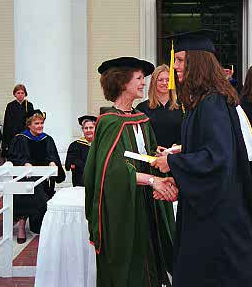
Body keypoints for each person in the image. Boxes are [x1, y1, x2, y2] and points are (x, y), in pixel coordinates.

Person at [151, 30, 252, 287]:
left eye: (180, 60)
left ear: (197, 62)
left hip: (219, 222)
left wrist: (172, 163)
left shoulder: (211, 102)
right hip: (215, 213)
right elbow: (219, 148)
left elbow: (217, 158)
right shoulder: (206, 100)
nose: (175, 68)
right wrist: (184, 152)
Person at [84, 56, 175, 287]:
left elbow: (148, 155)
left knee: (148, 254)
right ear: (123, 83)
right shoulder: (108, 121)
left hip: (145, 202)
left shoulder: (141, 118)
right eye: (139, 78)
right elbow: (110, 172)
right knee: (127, 261)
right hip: (123, 205)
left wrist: (162, 158)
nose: (144, 83)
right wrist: (153, 180)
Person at [8, 109, 65, 242]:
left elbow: (52, 154)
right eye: (37, 123)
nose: (40, 126)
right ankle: (21, 226)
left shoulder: (47, 139)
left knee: (41, 190)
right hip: (25, 177)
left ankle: (41, 224)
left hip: (43, 177)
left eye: (41, 123)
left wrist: (52, 161)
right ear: (29, 125)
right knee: (26, 190)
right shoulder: (20, 138)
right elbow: (13, 157)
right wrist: (25, 163)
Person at [136, 64, 183, 149]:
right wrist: (153, 148)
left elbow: (188, 133)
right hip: (152, 156)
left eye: (168, 80)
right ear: (154, 83)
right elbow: (139, 138)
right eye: (160, 80)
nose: (165, 83)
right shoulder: (142, 108)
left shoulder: (182, 107)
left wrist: (179, 145)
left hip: (176, 156)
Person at [3, 84, 34, 158]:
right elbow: (8, 121)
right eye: (18, 93)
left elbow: (31, 120)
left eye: (22, 93)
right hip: (13, 134)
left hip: (26, 133)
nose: (20, 95)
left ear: (25, 94)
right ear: (15, 94)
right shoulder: (10, 105)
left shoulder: (29, 105)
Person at [65, 115, 96, 187]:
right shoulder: (74, 146)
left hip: (97, 184)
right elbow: (68, 165)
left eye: (91, 128)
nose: (88, 130)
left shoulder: (101, 145)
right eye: (86, 128)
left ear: (96, 128)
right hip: (80, 184)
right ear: (82, 130)